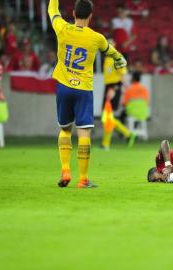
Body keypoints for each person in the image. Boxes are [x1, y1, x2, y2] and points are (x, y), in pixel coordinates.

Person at [47, 0, 127, 188]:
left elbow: (52, 10)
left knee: (65, 129)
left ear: (74, 13)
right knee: (84, 133)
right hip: (83, 89)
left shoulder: (63, 28)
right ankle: (83, 179)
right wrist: (119, 59)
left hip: (64, 86)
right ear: (91, 15)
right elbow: (110, 50)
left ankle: (65, 170)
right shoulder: (96, 38)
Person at [101, 40, 136, 150]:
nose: (108, 45)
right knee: (107, 116)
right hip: (108, 87)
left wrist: (114, 89)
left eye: (111, 43)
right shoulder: (106, 58)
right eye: (107, 43)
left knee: (107, 116)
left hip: (114, 87)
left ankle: (126, 134)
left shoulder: (117, 57)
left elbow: (123, 75)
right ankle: (125, 135)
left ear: (115, 45)